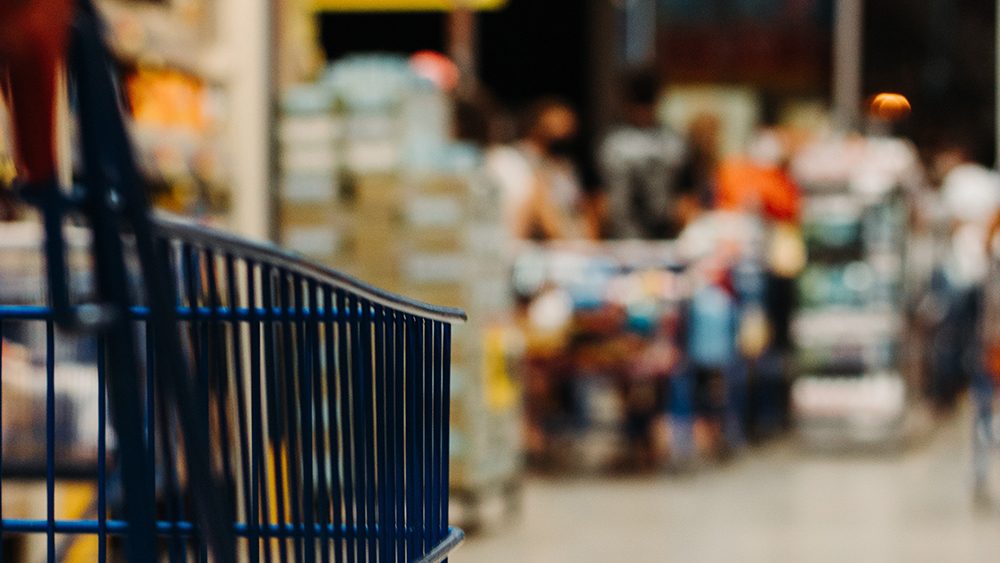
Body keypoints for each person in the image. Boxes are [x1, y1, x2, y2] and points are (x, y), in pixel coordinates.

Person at [598, 70, 687, 239]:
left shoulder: (673, 142)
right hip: (621, 238)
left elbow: (685, 198)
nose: (642, 110)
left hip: (664, 237)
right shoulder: (611, 143)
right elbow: (598, 199)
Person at [485, 98, 588, 240]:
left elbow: (578, 207)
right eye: (558, 123)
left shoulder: (565, 164)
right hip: (540, 246)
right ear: (538, 125)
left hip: (573, 244)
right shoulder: (515, 160)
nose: (565, 131)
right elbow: (540, 211)